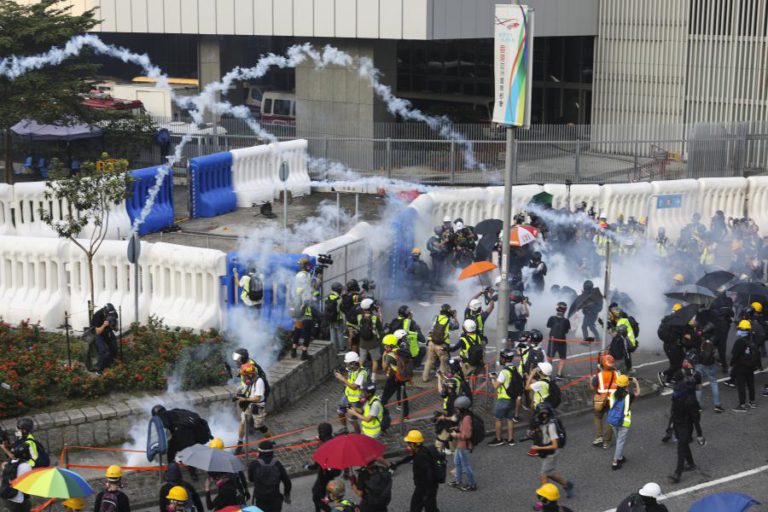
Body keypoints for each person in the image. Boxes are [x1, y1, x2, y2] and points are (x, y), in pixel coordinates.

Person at [151, 406, 211, 481]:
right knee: (173, 450)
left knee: (186, 453)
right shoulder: (172, 412)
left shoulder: (164, 418)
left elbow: (166, 430)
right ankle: (178, 469)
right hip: (186, 434)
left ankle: (192, 474)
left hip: (185, 436)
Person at [528, 403, 574, 499]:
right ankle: (567, 484)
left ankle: (546, 500)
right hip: (546, 452)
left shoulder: (551, 426)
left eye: (544, 413)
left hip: (551, 454)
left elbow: (554, 445)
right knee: (550, 473)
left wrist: (538, 448)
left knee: (543, 475)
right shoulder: (542, 422)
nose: (542, 415)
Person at [395, 430, 441, 512]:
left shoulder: (421, 457)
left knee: (418, 506)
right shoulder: (421, 450)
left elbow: (429, 473)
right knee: (429, 507)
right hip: (427, 486)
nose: (408, 445)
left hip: (425, 487)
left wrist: (427, 491)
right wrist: (397, 463)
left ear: (414, 444)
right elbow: (410, 457)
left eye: (409, 443)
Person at [489, 348, 523, 447]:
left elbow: (496, 386)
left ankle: (499, 439)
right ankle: (510, 439)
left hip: (503, 399)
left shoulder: (504, 372)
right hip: (513, 398)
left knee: (498, 419)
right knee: (510, 419)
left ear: (504, 358)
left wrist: (492, 378)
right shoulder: (514, 369)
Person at [606, 374, 640, 470]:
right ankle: (615, 462)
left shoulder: (613, 394)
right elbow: (638, 393)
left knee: (618, 440)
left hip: (612, 421)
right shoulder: (629, 396)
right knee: (620, 442)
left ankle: (620, 457)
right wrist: (636, 382)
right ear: (627, 385)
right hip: (623, 423)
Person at [305, 423, 341, 512]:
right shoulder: (334, 441)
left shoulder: (323, 448)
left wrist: (306, 466)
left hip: (324, 476)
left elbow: (315, 466)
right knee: (317, 493)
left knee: (316, 498)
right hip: (333, 473)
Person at [235, 362, 271, 450]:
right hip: (249, 405)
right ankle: (240, 443)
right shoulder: (250, 381)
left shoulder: (259, 382)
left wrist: (245, 400)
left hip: (257, 407)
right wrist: (239, 396)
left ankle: (270, 441)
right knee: (243, 423)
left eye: (244, 375)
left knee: (260, 426)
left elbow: (257, 398)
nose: (243, 377)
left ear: (250, 375)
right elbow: (247, 391)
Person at [248, 441, 291, 512]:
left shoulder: (254, 464)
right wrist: (287, 494)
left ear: (259, 451)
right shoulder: (277, 463)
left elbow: (251, 479)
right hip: (275, 498)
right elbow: (287, 482)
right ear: (272, 452)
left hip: (261, 499)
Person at [335, 351, 368, 434]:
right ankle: (344, 428)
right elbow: (349, 378)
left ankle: (358, 435)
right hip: (347, 396)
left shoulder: (362, 373)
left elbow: (354, 387)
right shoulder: (352, 369)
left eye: (349, 364)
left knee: (352, 419)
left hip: (356, 400)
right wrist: (342, 376)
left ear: (354, 363)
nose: (347, 366)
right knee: (340, 411)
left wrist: (343, 379)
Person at [731, 319, 761, 411]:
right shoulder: (752, 339)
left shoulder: (739, 342)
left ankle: (742, 405)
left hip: (741, 367)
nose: (738, 330)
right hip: (750, 366)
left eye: (739, 328)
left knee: (741, 385)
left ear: (742, 329)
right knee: (750, 384)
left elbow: (734, 355)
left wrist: (731, 365)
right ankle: (752, 402)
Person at [448, 396, 477, 492]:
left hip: (464, 446)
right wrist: (456, 428)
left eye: (457, 408)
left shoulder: (466, 418)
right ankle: (458, 481)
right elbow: (463, 428)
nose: (456, 410)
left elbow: (467, 435)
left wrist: (456, 435)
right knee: (457, 463)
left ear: (462, 408)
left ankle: (472, 485)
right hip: (460, 445)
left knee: (466, 466)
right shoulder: (464, 416)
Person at [423, 304, 458, 382]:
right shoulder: (448, 321)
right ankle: (442, 379)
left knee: (429, 360)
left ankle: (425, 378)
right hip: (441, 345)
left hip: (431, 342)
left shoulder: (436, 317)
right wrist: (454, 317)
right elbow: (457, 326)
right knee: (443, 361)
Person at [590, 355, 619, 448]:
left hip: (601, 400)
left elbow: (592, 388)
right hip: (613, 401)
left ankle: (599, 437)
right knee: (611, 421)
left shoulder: (599, 376)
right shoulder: (618, 374)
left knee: (598, 417)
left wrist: (590, 381)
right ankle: (607, 442)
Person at [381, 334, 411, 420]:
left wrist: (384, 357)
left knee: (384, 397)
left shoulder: (389, 356)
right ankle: (406, 415)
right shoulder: (400, 350)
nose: (384, 347)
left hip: (393, 378)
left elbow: (384, 368)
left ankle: (383, 414)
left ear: (390, 345)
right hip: (402, 377)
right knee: (403, 395)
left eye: (385, 345)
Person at [695, 328, 724, 413]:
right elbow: (715, 354)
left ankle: (698, 406)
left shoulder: (698, 340)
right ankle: (717, 405)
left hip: (699, 364)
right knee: (713, 383)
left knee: (698, 384)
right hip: (710, 365)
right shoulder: (712, 342)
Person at [1, 442, 32, 512]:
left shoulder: (11, 462)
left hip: (8, 496)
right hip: (18, 499)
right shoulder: (26, 466)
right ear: (25, 454)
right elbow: (28, 484)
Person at [356, 298, 384, 377]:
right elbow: (380, 327)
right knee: (374, 360)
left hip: (363, 342)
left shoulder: (359, 317)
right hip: (373, 342)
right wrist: (379, 313)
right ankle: (373, 378)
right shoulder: (375, 318)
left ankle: (357, 375)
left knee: (361, 359)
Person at [91, 303, 119, 373]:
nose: (110, 316)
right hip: (98, 332)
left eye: (111, 315)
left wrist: (113, 326)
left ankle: (111, 364)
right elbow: (97, 332)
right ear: (105, 313)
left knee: (114, 347)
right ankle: (99, 369)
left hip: (107, 330)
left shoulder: (114, 314)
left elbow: (116, 329)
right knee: (103, 351)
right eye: (109, 315)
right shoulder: (97, 315)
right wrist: (104, 325)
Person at [546, 302, 571, 379]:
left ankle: (548, 373)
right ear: (565, 310)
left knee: (550, 357)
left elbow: (548, 326)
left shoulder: (551, 318)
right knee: (562, 358)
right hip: (562, 341)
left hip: (552, 340)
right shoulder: (566, 321)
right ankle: (559, 374)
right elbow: (566, 331)